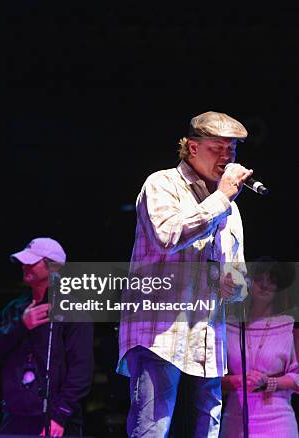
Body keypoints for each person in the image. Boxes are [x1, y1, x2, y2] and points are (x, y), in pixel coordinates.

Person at [117, 111, 254, 437]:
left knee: (207, 432)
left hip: (209, 343)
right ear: (192, 148)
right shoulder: (162, 184)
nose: (227, 157)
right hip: (161, 337)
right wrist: (221, 197)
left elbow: (239, 282)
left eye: (232, 150)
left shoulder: (230, 208)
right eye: (217, 148)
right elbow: (167, 237)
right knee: (152, 430)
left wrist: (234, 285)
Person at [0, 237, 94, 436]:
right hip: (15, 417)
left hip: (56, 420)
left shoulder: (74, 311)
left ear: (52, 266)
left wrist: (60, 415)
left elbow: (81, 370)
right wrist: (20, 325)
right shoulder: (15, 308)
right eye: (23, 261)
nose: (24, 266)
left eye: (31, 262)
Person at [220, 257, 299, 437]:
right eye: (259, 279)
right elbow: (211, 379)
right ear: (248, 283)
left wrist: (269, 383)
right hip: (235, 420)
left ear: (278, 289)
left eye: (272, 281)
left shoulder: (288, 326)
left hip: (278, 422)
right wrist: (237, 381)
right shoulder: (230, 326)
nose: (264, 285)